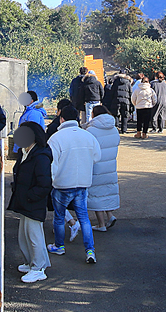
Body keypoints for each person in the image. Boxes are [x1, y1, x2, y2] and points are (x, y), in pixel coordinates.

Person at [47, 106, 101, 264]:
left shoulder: (56, 138)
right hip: (82, 184)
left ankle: (59, 246)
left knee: (58, 217)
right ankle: (90, 250)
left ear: (61, 119)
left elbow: (52, 163)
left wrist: (51, 180)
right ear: (77, 118)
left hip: (61, 184)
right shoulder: (88, 136)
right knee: (84, 218)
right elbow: (97, 156)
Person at [7, 121, 53, 283]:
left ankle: (38, 268)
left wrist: (29, 196)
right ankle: (33, 263)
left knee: (34, 236)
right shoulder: (25, 152)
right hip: (26, 201)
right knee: (25, 236)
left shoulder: (40, 156)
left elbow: (44, 184)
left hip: (33, 202)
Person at [86, 105, 120, 231]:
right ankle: (109, 215)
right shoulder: (114, 129)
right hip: (110, 166)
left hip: (96, 167)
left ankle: (101, 224)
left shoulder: (91, 131)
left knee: (96, 195)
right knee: (106, 192)